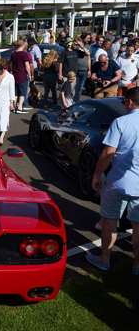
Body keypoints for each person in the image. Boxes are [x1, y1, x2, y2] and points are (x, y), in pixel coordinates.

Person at [87, 87, 139, 276]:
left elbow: (108, 153)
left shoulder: (121, 122)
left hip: (118, 181)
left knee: (110, 221)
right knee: (137, 225)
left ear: (131, 102)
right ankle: (136, 264)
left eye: (125, 101)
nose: (124, 104)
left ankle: (105, 259)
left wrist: (97, 174)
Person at [0, 58, 16, 145]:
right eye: (1, 68)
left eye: (4, 68)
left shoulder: (10, 77)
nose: (3, 70)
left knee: (4, 118)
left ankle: (1, 138)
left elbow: (12, 90)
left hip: (5, 100)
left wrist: (12, 102)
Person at [59, 37, 90, 102]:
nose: (75, 45)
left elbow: (88, 54)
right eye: (74, 43)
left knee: (72, 92)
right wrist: (60, 74)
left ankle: (69, 104)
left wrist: (81, 46)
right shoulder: (64, 52)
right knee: (64, 91)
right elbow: (60, 63)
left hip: (74, 76)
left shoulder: (76, 51)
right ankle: (62, 104)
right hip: (65, 75)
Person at [10, 39, 34, 113]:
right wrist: (30, 75)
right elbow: (27, 66)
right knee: (23, 92)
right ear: (22, 45)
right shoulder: (24, 54)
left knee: (16, 92)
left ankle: (14, 106)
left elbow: (11, 64)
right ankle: (20, 107)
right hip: (22, 75)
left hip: (14, 75)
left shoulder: (13, 54)